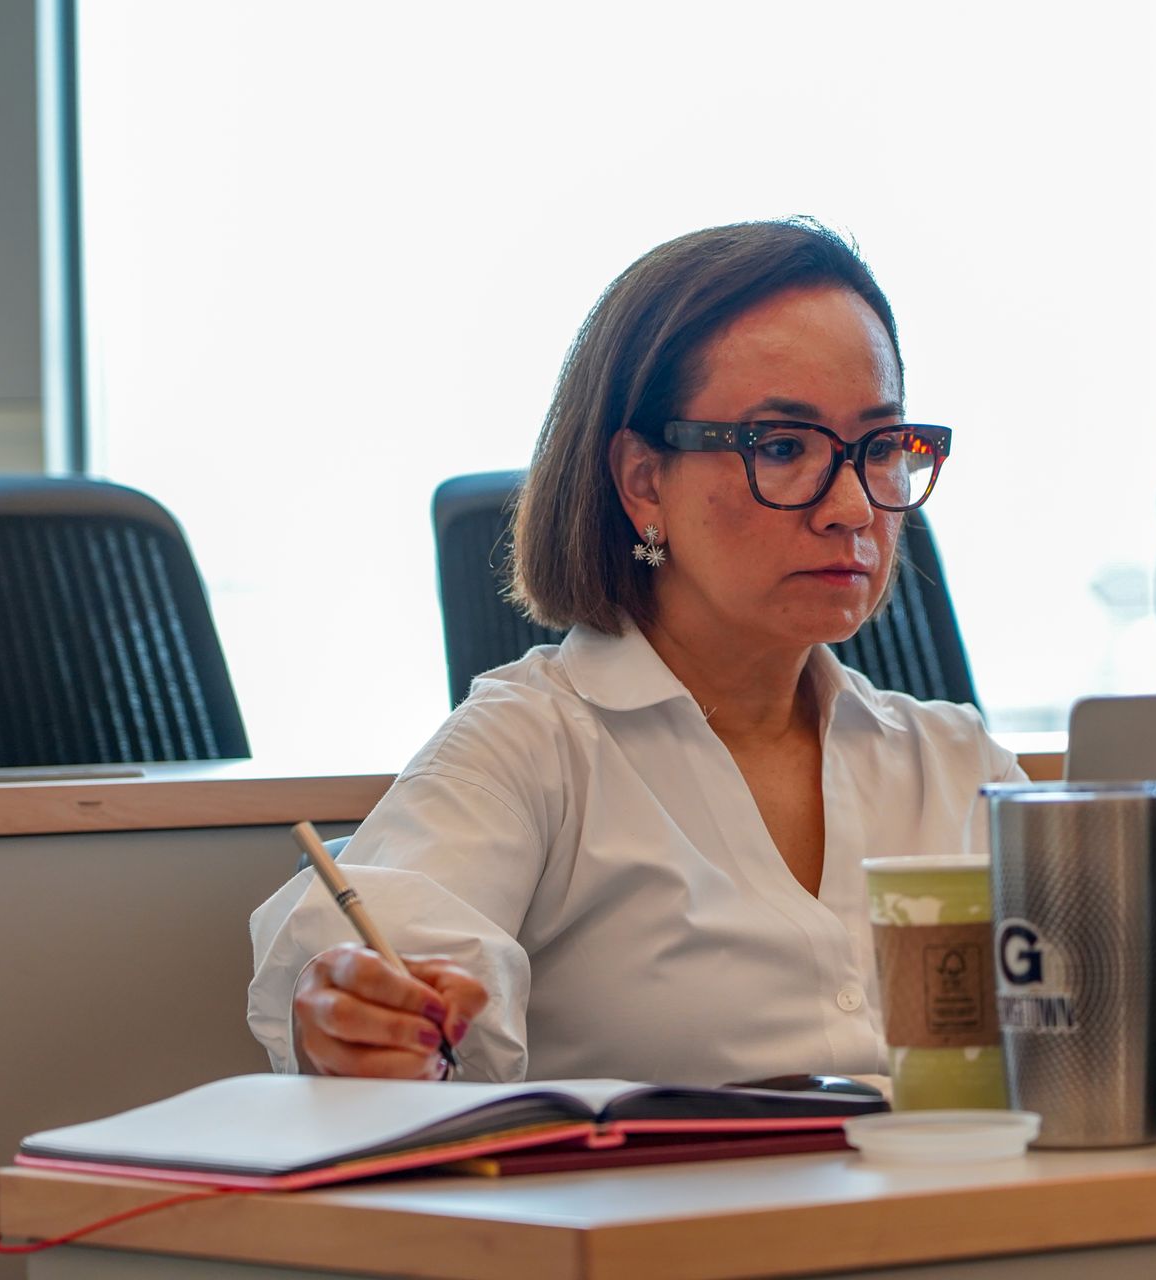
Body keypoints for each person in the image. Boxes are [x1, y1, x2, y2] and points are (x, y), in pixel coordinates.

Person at [247, 220, 1024, 1085]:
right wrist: (362, 1016)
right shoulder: (530, 744)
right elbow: (397, 951)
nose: (850, 505)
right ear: (644, 482)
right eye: (781, 447)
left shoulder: (959, 766)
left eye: (881, 448)